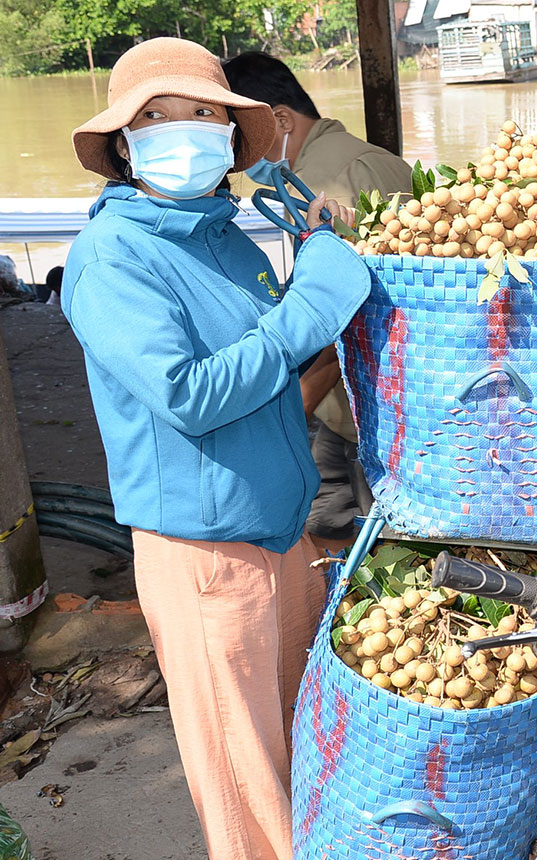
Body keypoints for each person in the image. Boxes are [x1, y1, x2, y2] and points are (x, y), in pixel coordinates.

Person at [63, 38, 370, 860]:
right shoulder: (110, 256)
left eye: (203, 113)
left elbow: (268, 373)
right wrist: (307, 309)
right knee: (247, 794)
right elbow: (191, 395)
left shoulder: (226, 237)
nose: (184, 130)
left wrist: (312, 260)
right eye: (157, 118)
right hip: (204, 556)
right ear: (125, 145)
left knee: (304, 752)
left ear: (232, 134)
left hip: (281, 535)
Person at [223, 51, 412, 553]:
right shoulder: (352, 160)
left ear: (280, 119)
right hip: (378, 393)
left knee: (362, 536)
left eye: (242, 140)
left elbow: (347, 315)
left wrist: (294, 406)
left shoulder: (329, 183)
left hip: (361, 402)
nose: (240, 160)